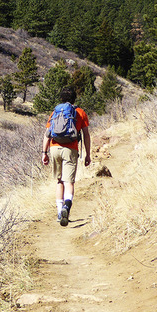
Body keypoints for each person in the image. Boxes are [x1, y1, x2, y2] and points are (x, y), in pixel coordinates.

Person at [41, 86, 91, 226]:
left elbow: (47, 134)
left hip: (54, 148)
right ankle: (66, 207)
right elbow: (86, 135)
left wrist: (44, 153)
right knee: (69, 181)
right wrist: (87, 154)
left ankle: (59, 212)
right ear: (75, 98)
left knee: (59, 181)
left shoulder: (55, 112)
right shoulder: (80, 112)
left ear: (61, 98)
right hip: (71, 149)